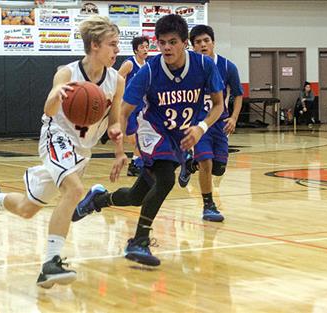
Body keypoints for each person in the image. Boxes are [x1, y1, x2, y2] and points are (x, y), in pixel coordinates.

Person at [0, 15, 127, 288]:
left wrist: (118, 144)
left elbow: (115, 121)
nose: (117, 50)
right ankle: (50, 262)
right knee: (75, 191)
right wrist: (57, 95)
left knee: (26, 208)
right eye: (112, 45)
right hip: (56, 137)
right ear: (95, 45)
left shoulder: (116, 81)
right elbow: (48, 110)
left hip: (82, 150)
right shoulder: (67, 73)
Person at [72, 14, 225, 266]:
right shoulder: (150, 71)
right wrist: (121, 149)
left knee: (137, 196)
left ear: (185, 43)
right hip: (152, 130)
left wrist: (201, 127)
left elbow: (218, 105)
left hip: (181, 134)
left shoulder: (204, 66)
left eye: (172, 42)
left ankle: (98, 199)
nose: (166, 47)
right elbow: (122, 110)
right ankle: (139, 241)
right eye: (162, 42)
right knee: (165, 179)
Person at [178, 24, 244, 222]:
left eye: (206, 41)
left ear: (213, 43)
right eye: (198, 42)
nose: (203, 45)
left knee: (218, 168)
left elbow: (239, 94)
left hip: (220, 122)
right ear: (192, 46)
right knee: (206, 162)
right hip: (198, 123)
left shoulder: (227, 66)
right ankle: (208, 206)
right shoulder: (189, 67)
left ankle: (189, 165)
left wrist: (233, 117)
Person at [117, 36, 150, 177]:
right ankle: (136, 163)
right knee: (134, 139)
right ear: (136, 49)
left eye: (147, 46)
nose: (145, 49)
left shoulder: (147, 65)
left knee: (142, 137)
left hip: (142, 106)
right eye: (142, 47)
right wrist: (119, 99)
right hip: (129, 106)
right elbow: (117, 79)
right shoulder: (130, 63)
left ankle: (136, 165)